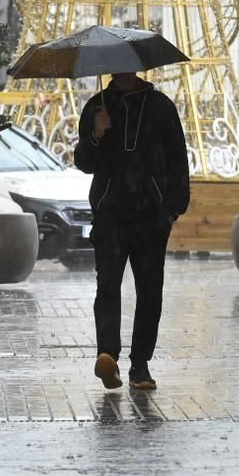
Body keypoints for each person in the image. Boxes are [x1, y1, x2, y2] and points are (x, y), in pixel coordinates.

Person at [75, 71, 191, 391]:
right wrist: (96, 136)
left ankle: (140, 364)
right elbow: (84, 162)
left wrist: (172, 209)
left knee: (150, 290)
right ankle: (107, 356)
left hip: (150, 216)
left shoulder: (160, 107)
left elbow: (177, 159)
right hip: (110, 215)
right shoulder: (97, 107)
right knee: (108, 286)